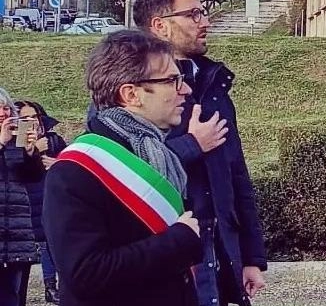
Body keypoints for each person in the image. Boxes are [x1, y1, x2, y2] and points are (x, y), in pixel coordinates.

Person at [130, 0, 267, 306]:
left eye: (203, 12)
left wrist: (251, 256)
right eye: (193, 14)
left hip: (218, 249)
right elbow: (123, 172)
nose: (205, 22)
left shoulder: (214, 84)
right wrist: (191, 145)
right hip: (167, 253)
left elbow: (237, 174)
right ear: (160, 26)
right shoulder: (130, 91)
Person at [43, 30, 202, 306]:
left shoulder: (162, 156)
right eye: (172, 80)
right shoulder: (75, 171)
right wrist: (179, 240)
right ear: (131, 94)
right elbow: (85, 274)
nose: (186, 89)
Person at [13, 101, 66, 303]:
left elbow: (70, 162)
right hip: (30, 201)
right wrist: (32, 151)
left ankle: (58, 286)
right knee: (43, 244)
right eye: (24, 119)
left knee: (56, 243)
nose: (31, 122)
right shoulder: (15, 143)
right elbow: (16, 169)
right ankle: (50, 285)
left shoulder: (53, 140)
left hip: (52, 196)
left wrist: (58, 164)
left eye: (33, 117)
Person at [0, 88, 40, 306]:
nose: (4, 112)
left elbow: (33, 178)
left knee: (14, 299)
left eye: (7, 107)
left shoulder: (17, 140)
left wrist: (30, 152)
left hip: (17, 236)